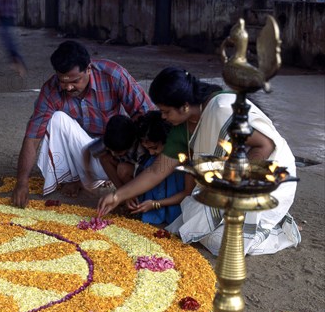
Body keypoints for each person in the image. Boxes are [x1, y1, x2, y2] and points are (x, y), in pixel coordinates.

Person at [98, 67, 300, 256]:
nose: (163, 117)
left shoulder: (221, 110)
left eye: (166, 111)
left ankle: (275, 224)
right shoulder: (181, 128)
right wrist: (117, 196)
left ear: (185, 106)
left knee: (222, 243)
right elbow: (157, 171)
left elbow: (265, 146)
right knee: (191, 222)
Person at [11, 40, 154, 208]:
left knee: (126, 166)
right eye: (62, 81)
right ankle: (75, 177)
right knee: (57, 119)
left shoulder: (114, 75)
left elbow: (147, 115)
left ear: (89, 69)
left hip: (115, 150)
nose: (68, 87)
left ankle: (96, 179)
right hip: (93, 153)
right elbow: (32, 137)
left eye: (75, 80)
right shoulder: (50, 90)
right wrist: (21, 182)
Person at [124, 110, 194, 225]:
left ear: (169, 142)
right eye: (148, 149)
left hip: (177, 211)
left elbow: (187, 193)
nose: (151, 153)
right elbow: (144, 181)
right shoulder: (150, 160)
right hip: (151, 209)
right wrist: (130, 195)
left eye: (155, 148)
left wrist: (156, 204)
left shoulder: (185, 160)